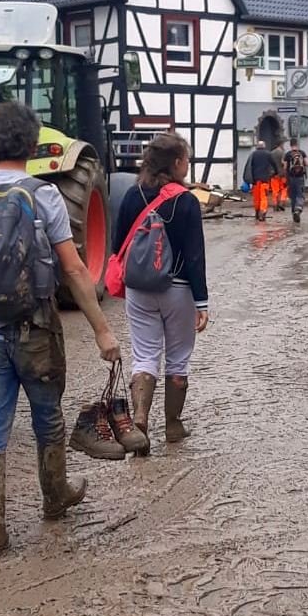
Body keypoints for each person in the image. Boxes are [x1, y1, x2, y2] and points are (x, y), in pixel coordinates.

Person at [0, 101, 121, 558]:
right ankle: (54, 498)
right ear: (34, 146)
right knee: (47, 418)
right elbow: (75, 270)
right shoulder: (46, 194)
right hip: (37, 327)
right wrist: (102, 331)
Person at [114, 133, 208, 454]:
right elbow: (195, 257)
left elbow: (117, 247)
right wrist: (202, 302)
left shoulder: (130, 195)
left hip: (138, 290)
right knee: (177, 359)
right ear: (176, 163)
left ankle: (140, 421)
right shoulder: (187, 201)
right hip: (178, 290)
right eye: (187, 159)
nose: (189, 164)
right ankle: (172, 425)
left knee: (144, 356)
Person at [243, 140, 280, 222]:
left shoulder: (253, 154)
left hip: (255, 180)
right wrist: (275, 173)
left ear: (257, 146)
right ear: (264, 146)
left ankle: (257, 212)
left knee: (256, 198)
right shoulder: (268, 154)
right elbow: (274, 164)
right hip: (265, 180)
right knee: (263, 197)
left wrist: (248, 178)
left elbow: (249, 166)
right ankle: (262, 212)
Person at [283, 138, 308, 224]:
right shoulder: (302, 153)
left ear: (290, 145)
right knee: (300, 194)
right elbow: (307, 163)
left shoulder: (288, 154)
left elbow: (285, 167)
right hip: (300, 177)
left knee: (293, 196)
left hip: (291, 178)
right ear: (297, 144)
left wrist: (285, 177)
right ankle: (298, 210)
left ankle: (294, 212)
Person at [269, 140, 288, 211]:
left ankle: (275, 205)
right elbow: (284, 164)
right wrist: (286, 173)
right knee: (284, 189)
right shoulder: (283, 153)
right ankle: (281, 203)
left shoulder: (271, 153)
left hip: (274, 175)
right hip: (282, 175)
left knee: (275, 190)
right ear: (281, 145)